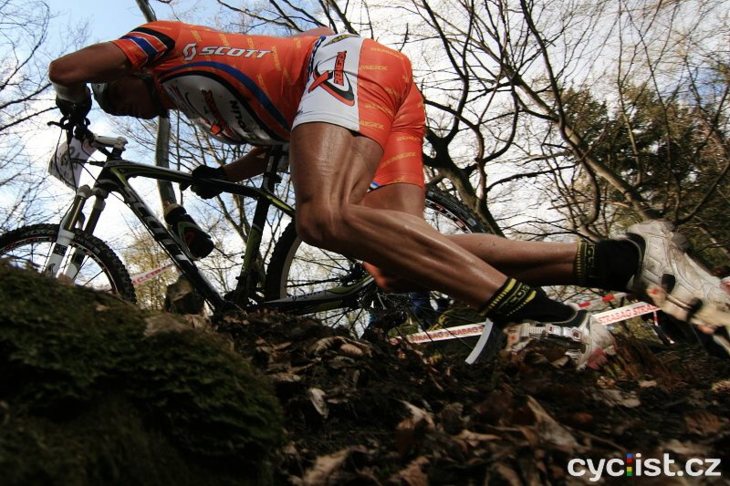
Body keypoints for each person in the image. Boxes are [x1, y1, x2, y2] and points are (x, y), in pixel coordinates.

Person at [48, 20, 730, 369]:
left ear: (134, 69)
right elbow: (288, 140)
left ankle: (547, 316)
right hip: (378, 97)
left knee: (323, 217)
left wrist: (74, 104)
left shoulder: (165, 44)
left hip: (342, 65)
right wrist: (227, 175)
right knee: (399, 261)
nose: (119, 105)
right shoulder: (209, 110)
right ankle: (619, 261)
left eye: (118, 95)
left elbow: (66, 66)